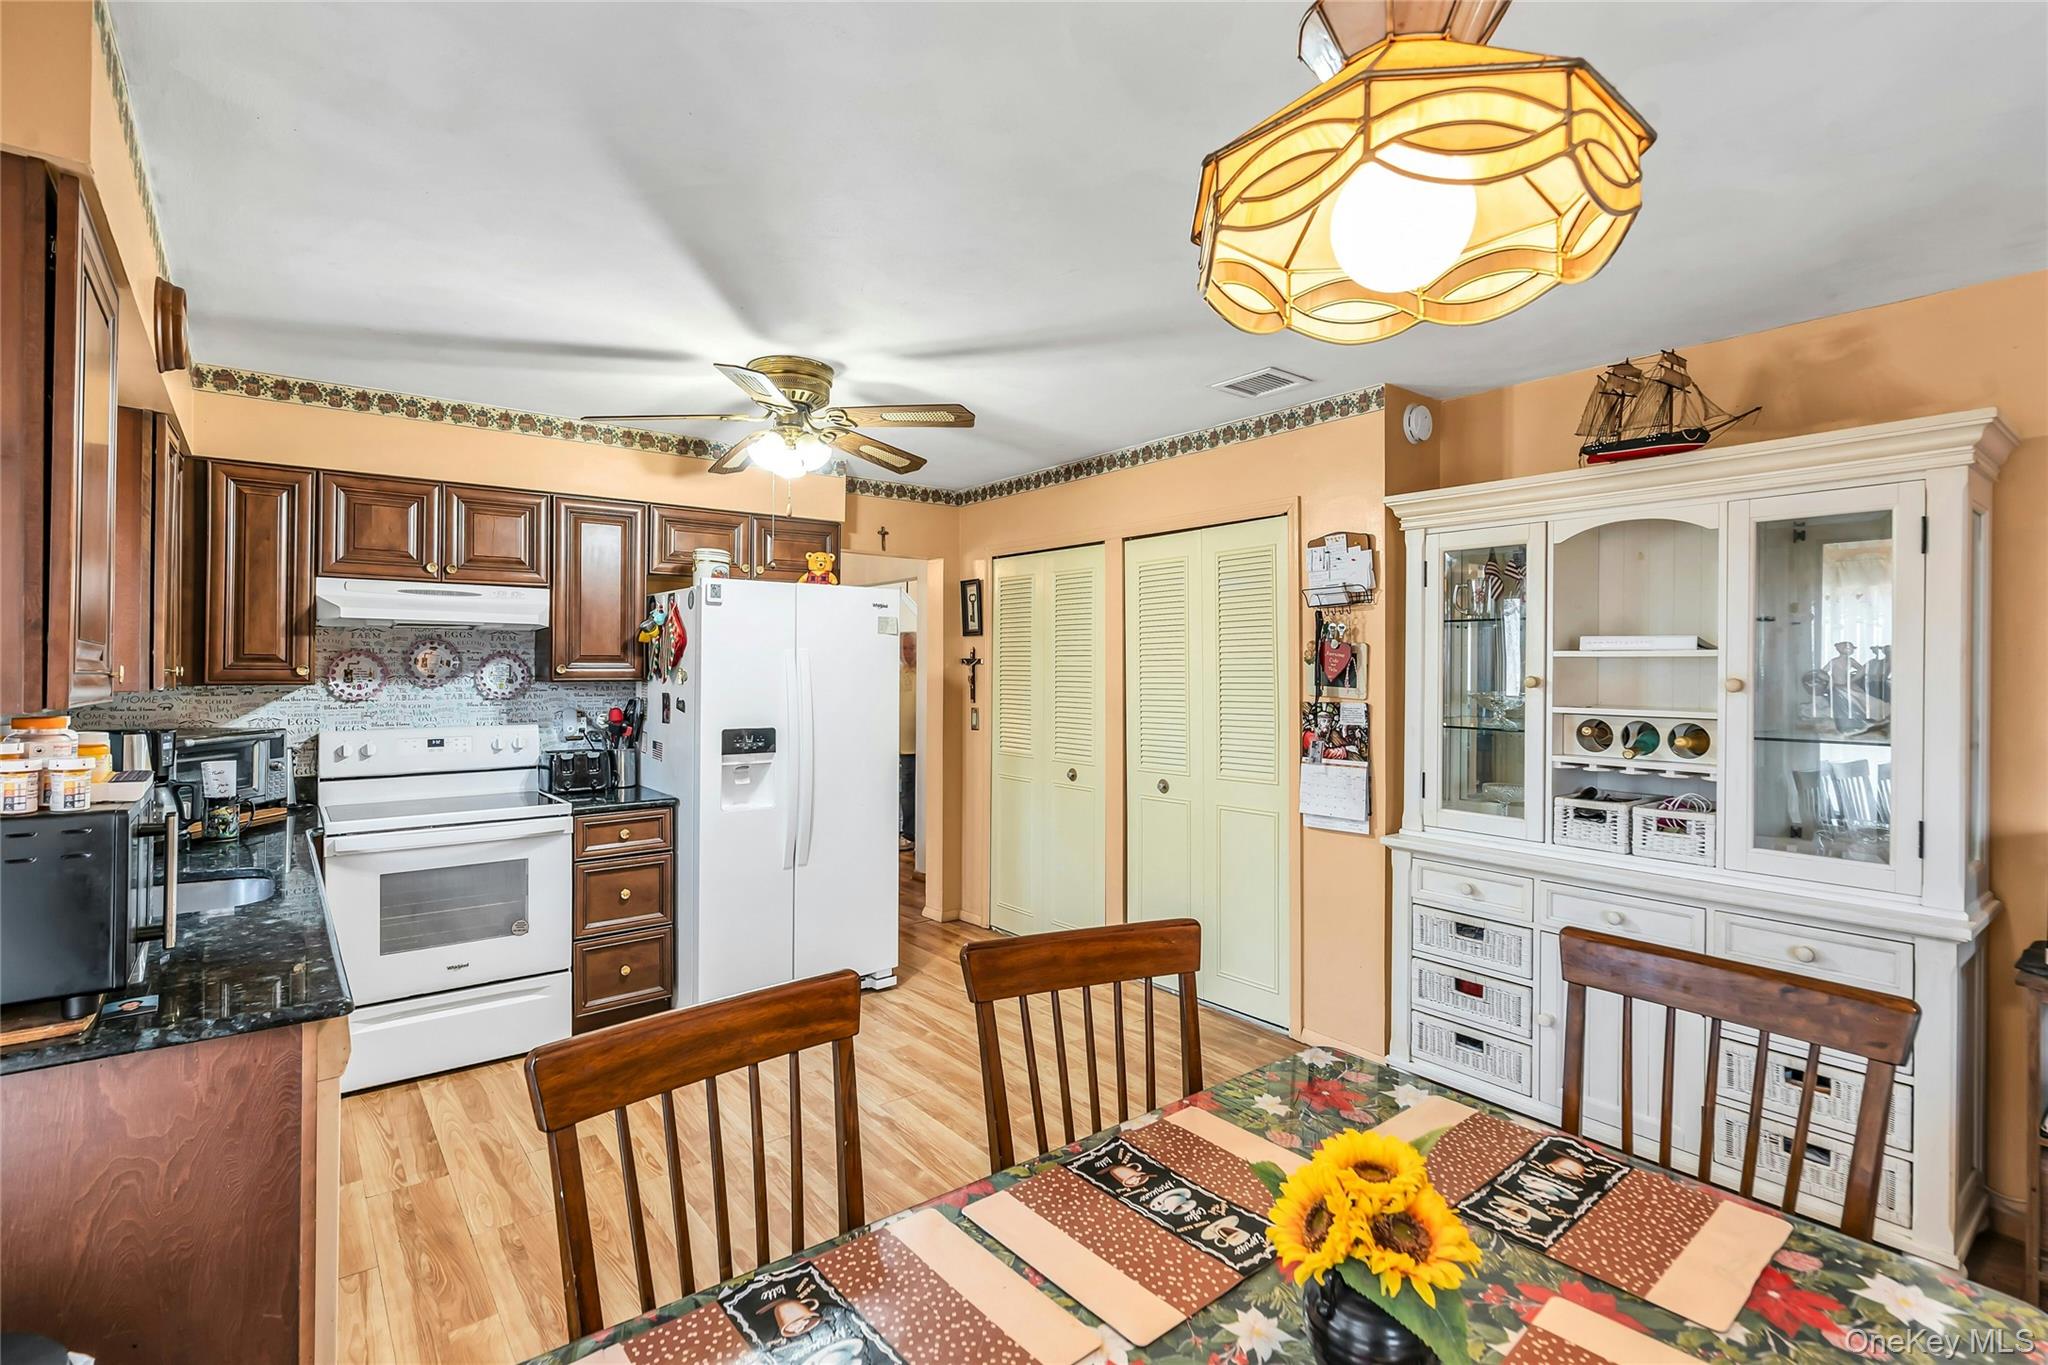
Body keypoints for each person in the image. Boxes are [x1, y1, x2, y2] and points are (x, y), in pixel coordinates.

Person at [899, 631, 917, 848]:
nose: (908, 652)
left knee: (913, 792)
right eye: (904, 648)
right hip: (901, 744)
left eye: (911, 647)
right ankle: (909, 834)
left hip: (921, 744)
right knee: (906, 792)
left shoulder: (924, 673)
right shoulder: (898, 673)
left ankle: (914, 835)